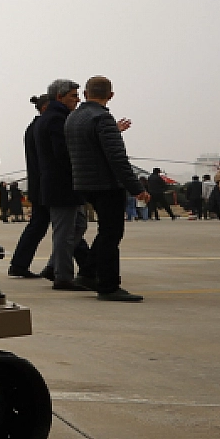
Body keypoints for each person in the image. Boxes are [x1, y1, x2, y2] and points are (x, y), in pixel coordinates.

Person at [65, 75, 149, 302]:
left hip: (83, 182)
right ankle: (108, 285)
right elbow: (117, 158)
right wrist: (135, 188)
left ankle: (88, 273)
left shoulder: (74, 118)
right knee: (112, 233)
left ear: (85, 93)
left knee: (105, 233)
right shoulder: (102, 118)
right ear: (110, 95)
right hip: (106, 184)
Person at [36, 80, 96, 292]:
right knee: (65, 232)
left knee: (78, 226)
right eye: (73, 96)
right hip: (62, 185)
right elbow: (63, 153)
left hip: (63, 184)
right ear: (60, 97)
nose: (77, 99)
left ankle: (54, 266)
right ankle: (63, 277)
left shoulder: (53, 118)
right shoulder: (56, 120)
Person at [8, 96, 53, 278]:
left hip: (39, 185)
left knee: (40, 226)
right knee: (68, 227)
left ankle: (20, 264)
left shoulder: (34, 127)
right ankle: (87, 266)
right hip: (46, 186)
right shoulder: (43, 126)